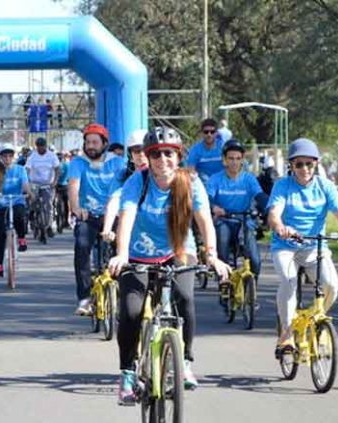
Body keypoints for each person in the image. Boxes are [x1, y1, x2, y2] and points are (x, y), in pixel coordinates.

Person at [107, 127, 230, 403]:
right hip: (137, 255)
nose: (163, 160)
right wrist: (122, 254)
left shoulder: (190, 183)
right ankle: (127, 373)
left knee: (184, 298)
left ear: (179, 156)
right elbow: (126, 217)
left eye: (169, 154)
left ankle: (184, 361)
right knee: (131, 310)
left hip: (177, 252)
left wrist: (212, 254)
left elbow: (204, 221)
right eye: (156, 155)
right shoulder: (137, 182)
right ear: (148, 159)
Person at [268, 138, 338, 357]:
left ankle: (316, 320)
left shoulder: (325, 186)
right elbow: (274, 214)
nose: (304, 169)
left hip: (314, 246)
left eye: (309, 164)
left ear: (316, 164)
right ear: (291, 165)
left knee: (331, 285)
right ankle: (286, 332)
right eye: (299, 164)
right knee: (289, 281)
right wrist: (281, 227)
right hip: (286, 246)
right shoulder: (282, 185)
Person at [68, 123, 126, 315]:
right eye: (88, 142)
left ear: (104, 144)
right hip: (88, 215)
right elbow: (74, 187)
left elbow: (125, 187)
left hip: (113, 215)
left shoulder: (117, 162)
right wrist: (76, 208)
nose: (91, 146)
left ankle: (123, 292)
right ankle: (84, 298)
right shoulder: (78, 162)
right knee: (82, 246)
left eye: (95, 142)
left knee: (124, 249)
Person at [206, 140, 267, 276]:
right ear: (224, 160)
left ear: (242, 160)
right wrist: (214, 207)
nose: (234, 162)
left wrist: (268, 209)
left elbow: (259, 195)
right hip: (224, 220)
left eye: (238, 158)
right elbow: (207, 198)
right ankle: (224, 281)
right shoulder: (215, 179)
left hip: (244, 221)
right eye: (231, 158)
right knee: (223, 241)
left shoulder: (249, 179)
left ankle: (251, 290)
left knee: (255, 261)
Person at [0, 144, 32, 277]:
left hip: (16, 200)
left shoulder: (20, 169)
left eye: (10, 156)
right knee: (0, 234)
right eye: (4, 156)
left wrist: (28, 193)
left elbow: (25, 184)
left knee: (20, 215)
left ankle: (22, 238)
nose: (7, 158)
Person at [102, 128, 148, 240]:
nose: (141, 155)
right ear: (130, 155)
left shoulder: (160, 175)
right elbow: (114, 199)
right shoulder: (123, 175)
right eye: (137, 151)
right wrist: (107, 229)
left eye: (145, 150)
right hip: (128, 220)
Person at [25, 137, 61, 242]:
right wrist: (27, 182)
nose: (41, 148)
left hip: (48, 184)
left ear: (46, 146)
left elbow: (57, 169)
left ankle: (48, 225)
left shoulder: (52, 156)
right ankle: (32, 214)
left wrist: (55, 181)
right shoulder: (32, 156)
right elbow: (27, 169)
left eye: (42, 146)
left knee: (48, 204)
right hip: (35, 183)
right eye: (39, 146)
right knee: (32, 200)